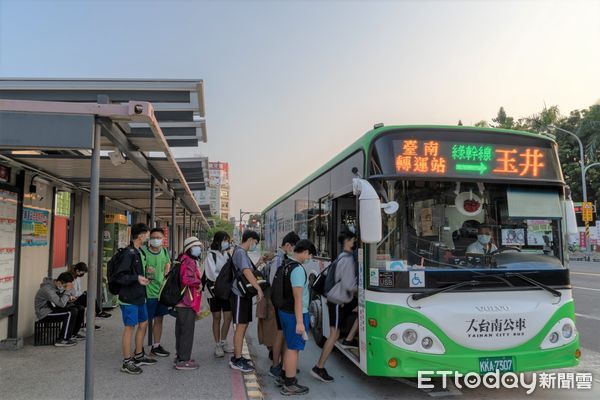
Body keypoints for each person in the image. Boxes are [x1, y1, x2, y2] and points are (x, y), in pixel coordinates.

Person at [312, 230, 358, 383]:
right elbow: (349, 285)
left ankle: (349, 338)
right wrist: (360, 290)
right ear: (347, 241)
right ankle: (319, 367)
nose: (355, 242)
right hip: (337, 301)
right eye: (353, 240)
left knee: (335, 333)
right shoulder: (348, 259)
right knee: (334, 335)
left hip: (335, 300)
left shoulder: (341, 256)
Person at [113, 223, 157, 375]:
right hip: (129, 297)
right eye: (147, 234)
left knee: (143, 323)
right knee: (129, 327)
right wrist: (136, 278)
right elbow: (120, 276)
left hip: (140, 295)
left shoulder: (140, 252)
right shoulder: (128, 253)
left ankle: (138, 355)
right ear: (141, 235)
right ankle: (127, 361)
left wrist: (145, 273)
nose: (148, 237)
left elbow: (136, 272)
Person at [278, 239, 316, 396]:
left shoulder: (286, 264)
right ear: (306, 252)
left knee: (289, 344)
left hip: (285, 311)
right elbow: (298, 298)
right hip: (295, 314)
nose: (309, 258)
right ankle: (290, 383)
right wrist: (300, 322)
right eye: (310, 255)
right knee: (294, 348)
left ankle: (284, 375)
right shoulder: (299, 270)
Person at [261, 231, 300, 379]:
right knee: (280, 334)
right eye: (295, 247)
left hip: (279, 301)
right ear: (288, 245)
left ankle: (283, 364)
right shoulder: (278, 259)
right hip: (279, 302)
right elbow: (273, 281)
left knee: (282, 334)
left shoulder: (281, 257)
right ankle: (276, 365)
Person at [229, 230, 267, 373]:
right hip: (239, 294)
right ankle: (237, 360)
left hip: (242, 295)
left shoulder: (241, 252)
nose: (255, 246)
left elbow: (249, 270)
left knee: (243, 325)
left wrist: (259, 262)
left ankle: (238, 356)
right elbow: (246, 271)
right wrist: (258, 288)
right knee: (240, 327)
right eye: (255, 243)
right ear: (250, 239)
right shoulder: (240, 252)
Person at [174, 236, 204, 370]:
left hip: (181, 301)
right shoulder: (190, 261)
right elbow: (187, 279)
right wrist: (198, 282)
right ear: (189, 248)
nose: (199, 249)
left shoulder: (182, 259)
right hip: (187, 301)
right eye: (196, 247)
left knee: (181, 330)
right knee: (187, 331)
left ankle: (180, 356)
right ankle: (184, 361)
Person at [142, 228, 171, 357]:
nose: (155, 240)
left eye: (158, 237)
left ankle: (156, 346)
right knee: (143, 321)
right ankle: (139, 348)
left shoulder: (164, 251)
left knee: (159, 319)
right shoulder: (143, 252)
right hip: (147, 293)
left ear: (163, 239)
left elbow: (167, 263)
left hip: (161, 293)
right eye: (153, 237)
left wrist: (166, 269)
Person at [204, 231, 234, 357]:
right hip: (214, 291)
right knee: (216, 317)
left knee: (228, 317)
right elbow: (211, 274)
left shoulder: (227, 254)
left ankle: (223, 341)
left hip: (226, 291)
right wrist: (224, 280)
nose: (227, 243)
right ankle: (217, 345)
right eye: (225, 240)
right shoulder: (211, 255)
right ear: (218, 241)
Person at [34, 272, 83, 347]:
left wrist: (70, 288)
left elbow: (73, 293)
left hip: (53, 309)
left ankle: (73, 334)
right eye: (65, 285)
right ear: (59, 282)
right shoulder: (48, 289)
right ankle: (63, 340)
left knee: (79, 308)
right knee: (70, 312)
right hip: (45, 313)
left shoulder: (58, 285)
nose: (65, 287)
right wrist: (67, 291)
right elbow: (61, 304)